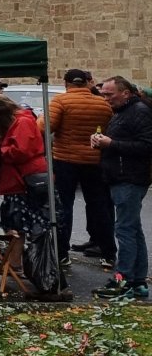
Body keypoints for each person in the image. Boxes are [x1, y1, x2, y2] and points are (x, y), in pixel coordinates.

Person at [90, 76, 152, 300]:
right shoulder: (122, 111)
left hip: (130, 178)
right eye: (103, 94)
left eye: (109, 94)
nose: (105, 98)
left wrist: (111, 144)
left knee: (125, 230)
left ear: (125, 93)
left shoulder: (139, 111)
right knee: (133, 229)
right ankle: (137, 281)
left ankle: (123, 279)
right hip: (120, 177)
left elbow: (147, 146)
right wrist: (101, 141)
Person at [0, 94, 55, 294]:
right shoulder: (20, 120)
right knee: (15, 224)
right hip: (19, 181)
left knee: (22, 224)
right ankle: (14, 263)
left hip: (24, 181)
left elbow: (21, 151)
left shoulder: (23, 121)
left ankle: (21, 264)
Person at [50, 68, 116, 266]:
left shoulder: (60, 101)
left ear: (66, 83)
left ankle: (62, 253)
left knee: (64, 206)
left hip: (65, 160)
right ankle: (108, 253)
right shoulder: (103, 104)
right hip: (94, 160)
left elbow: (45, 127)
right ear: (86, 83)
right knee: (99, 206)